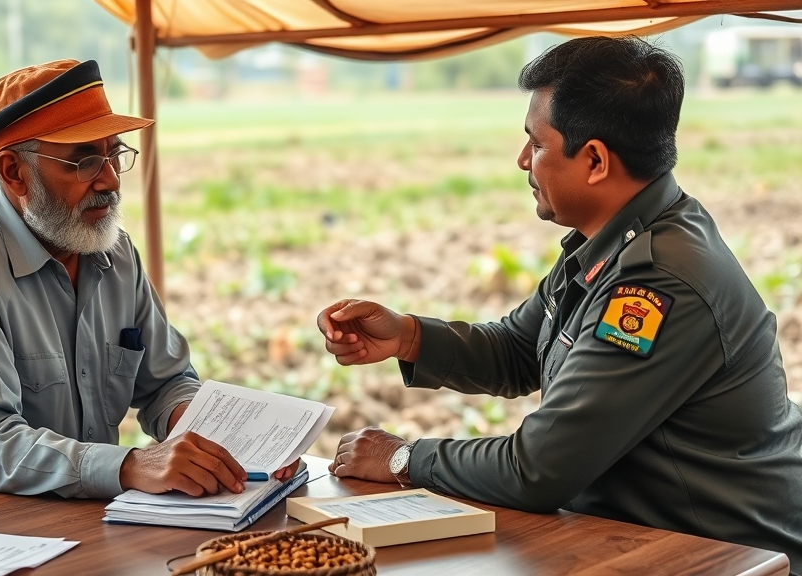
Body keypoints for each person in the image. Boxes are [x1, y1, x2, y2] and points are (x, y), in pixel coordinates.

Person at [317, 36, 802, 571]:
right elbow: (521, 349)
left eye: (537, 143)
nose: (522, 159)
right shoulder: (621, 238)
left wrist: (404, 458)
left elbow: (539, 468)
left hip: (716, 554)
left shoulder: (659, 283)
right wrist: (408, 336)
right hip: (629, 535)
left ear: (594, 160)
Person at [0, 59, 295, 519]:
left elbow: (166, 382)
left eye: (114, 153)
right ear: (13, 172)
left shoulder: (114, 253)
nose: (109, 179)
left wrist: (217, 438)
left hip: (61, 522)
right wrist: (131, 465)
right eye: (84, 160)